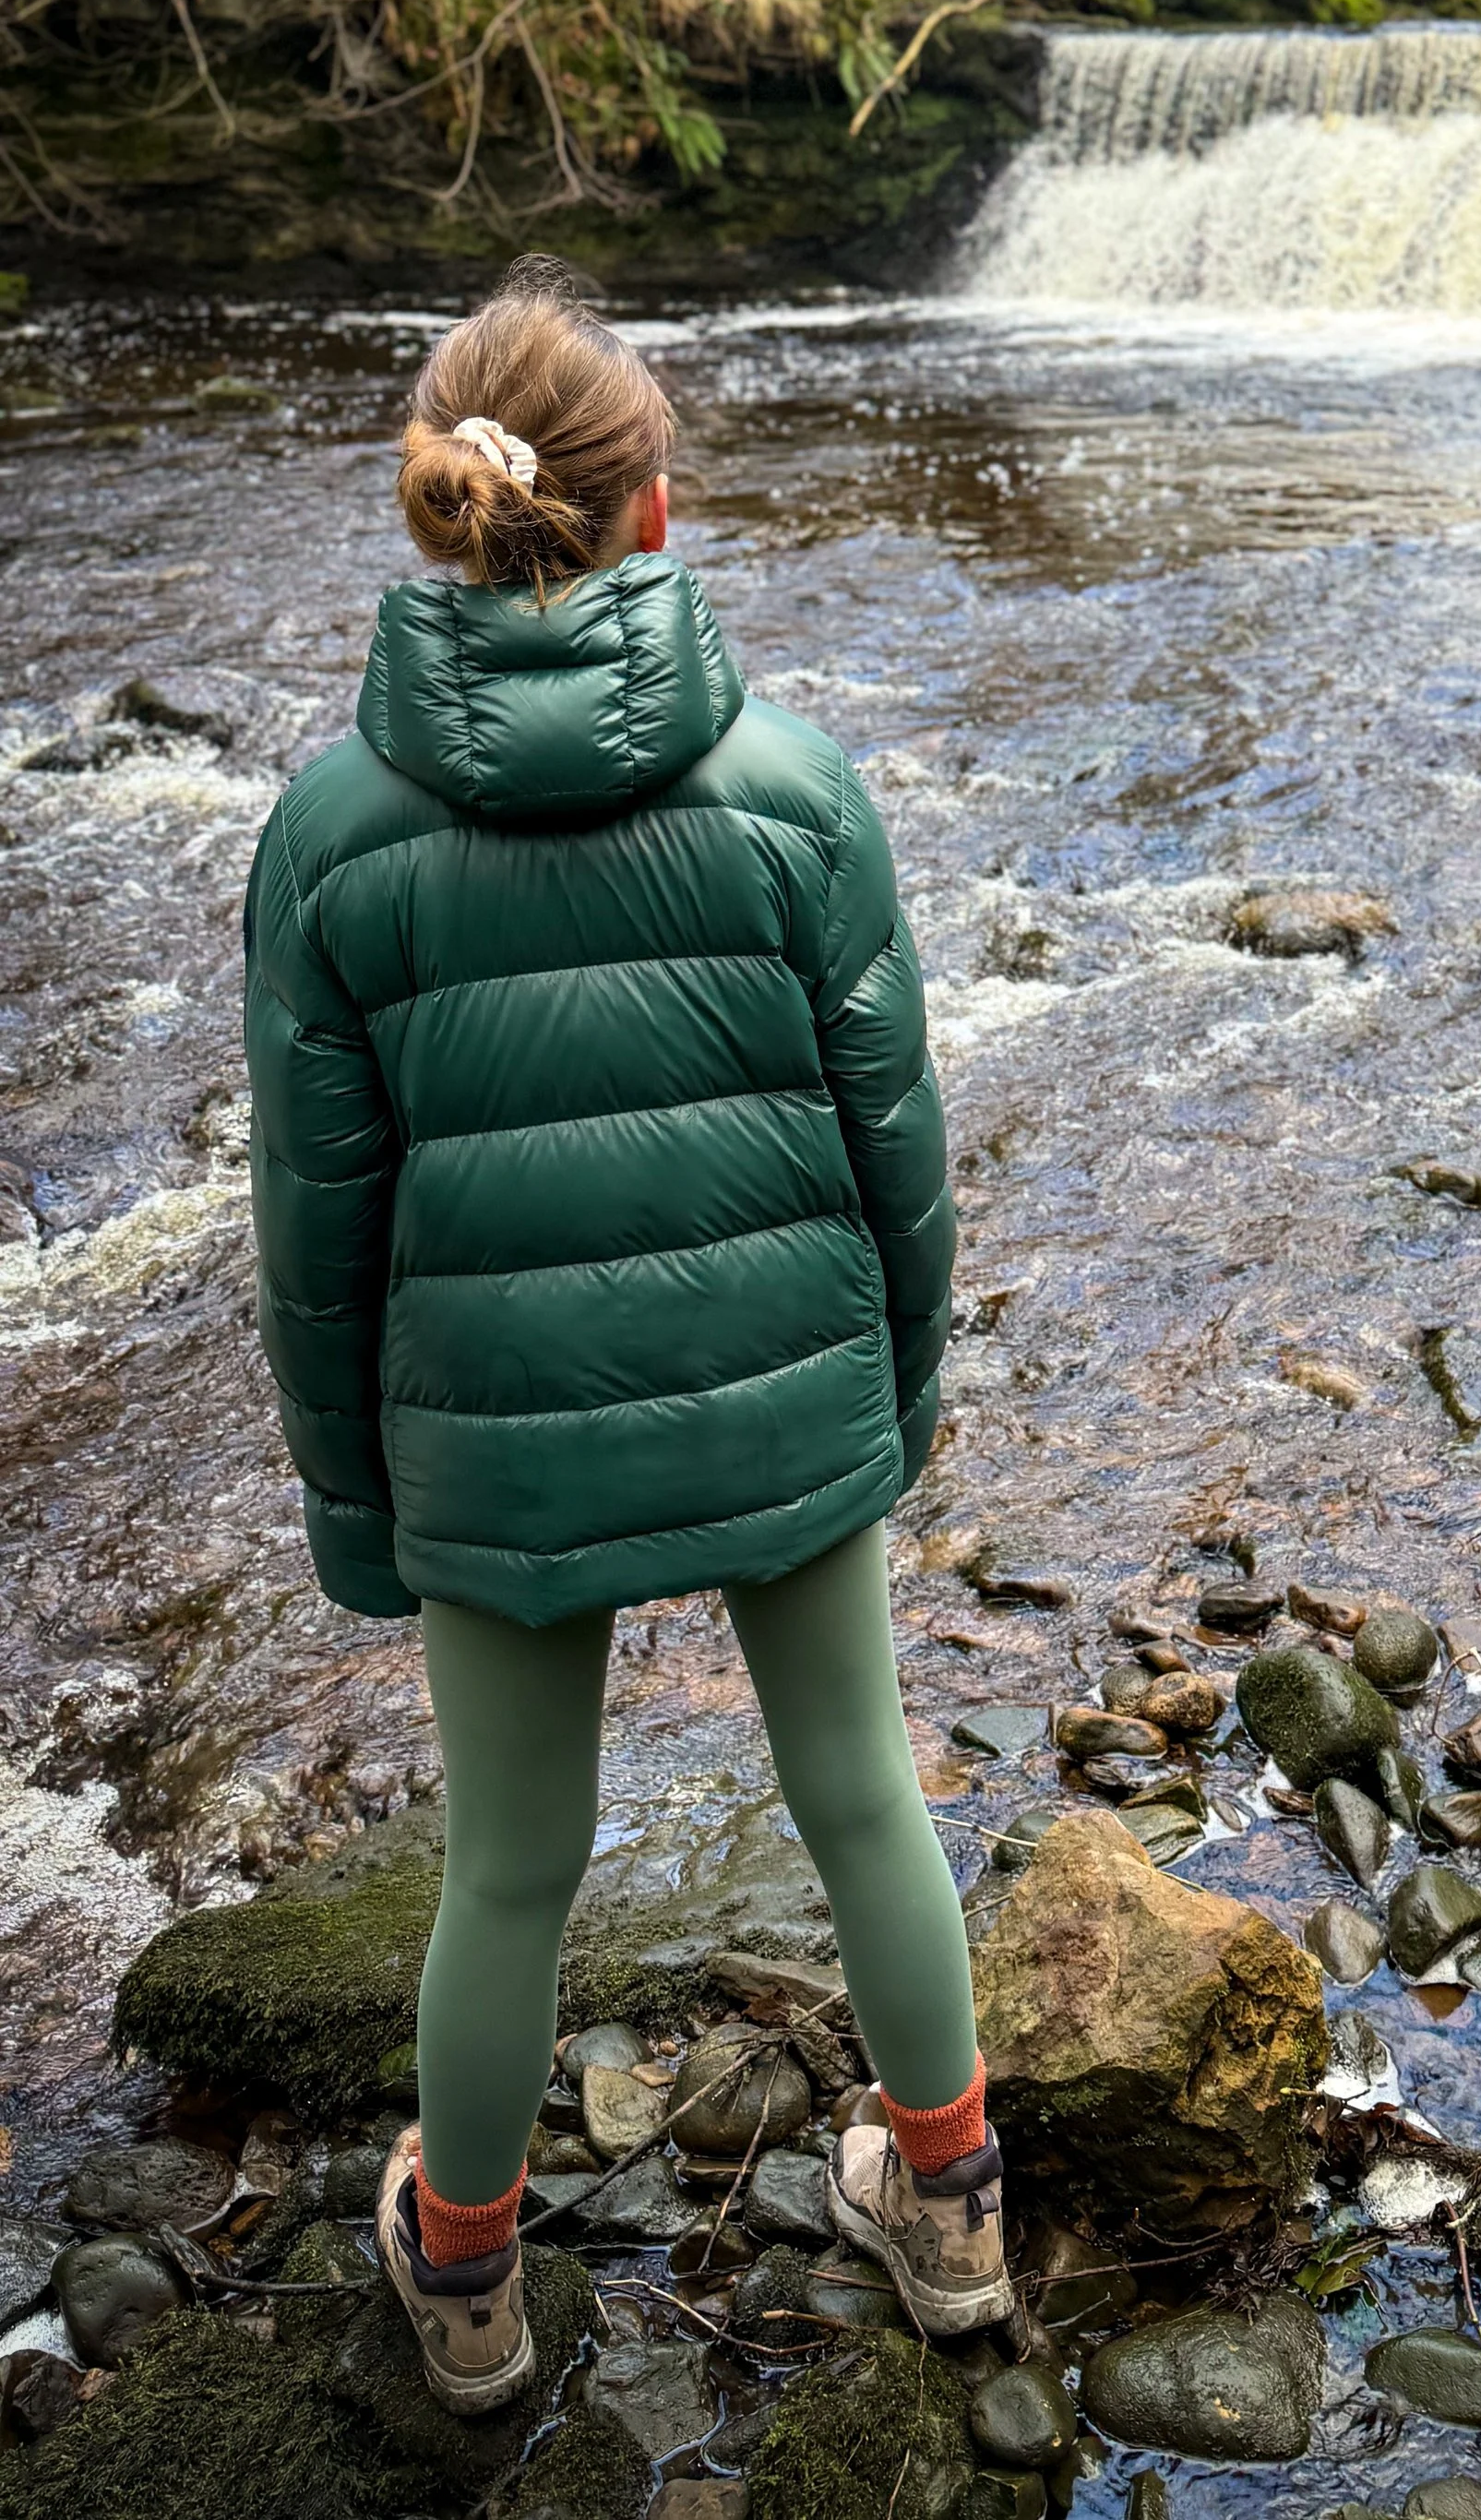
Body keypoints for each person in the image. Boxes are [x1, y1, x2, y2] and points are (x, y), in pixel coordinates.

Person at [241, 257, 1008, 2415]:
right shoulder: (799, 790)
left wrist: (351, 1494)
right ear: (652, 510)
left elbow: (318, 1227)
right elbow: (896, 1147)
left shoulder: (329, 837)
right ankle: (948, 2214)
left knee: (509, 1867)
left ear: (441, 515)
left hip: (490, 1444)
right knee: (863, 1795)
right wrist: (898, 1393)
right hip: (787, 1392)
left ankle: (467, 2284)